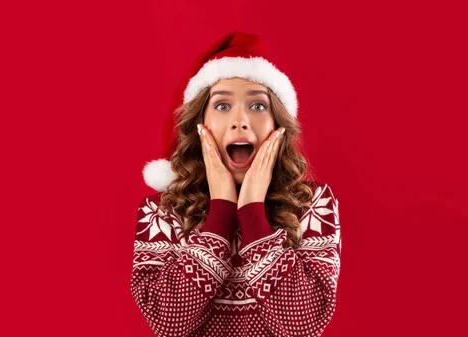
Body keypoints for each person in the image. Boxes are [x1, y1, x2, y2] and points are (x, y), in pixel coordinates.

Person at [131, 31, 341, 337]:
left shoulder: (313, 204)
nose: (240, 121)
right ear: (199, 125)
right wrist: (221, 213)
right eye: (222, 106)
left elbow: (302, 326)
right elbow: (168, 323)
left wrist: (254, 212)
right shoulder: (161, 212)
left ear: (277, 124)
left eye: (258, 106)